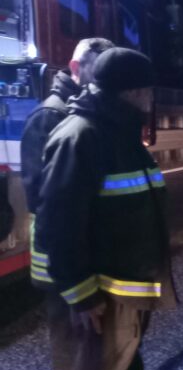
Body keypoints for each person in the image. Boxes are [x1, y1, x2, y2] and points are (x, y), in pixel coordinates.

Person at [36, 47, 177, 370]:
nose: (151, 100)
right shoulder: (81, 136)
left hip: (122, 293)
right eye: (147, 91)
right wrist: (81, 296)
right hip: (99, 296)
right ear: (132, 92)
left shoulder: (119, 133)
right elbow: (58, 224)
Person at [22, 37, 114, 290]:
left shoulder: (89, 111)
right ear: (75, 68)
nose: (102, 83)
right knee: (67, 328)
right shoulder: (51, 115)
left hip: (82, 256)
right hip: (59, 268)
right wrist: (70, 272)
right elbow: (44, 200)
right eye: (97, 73)